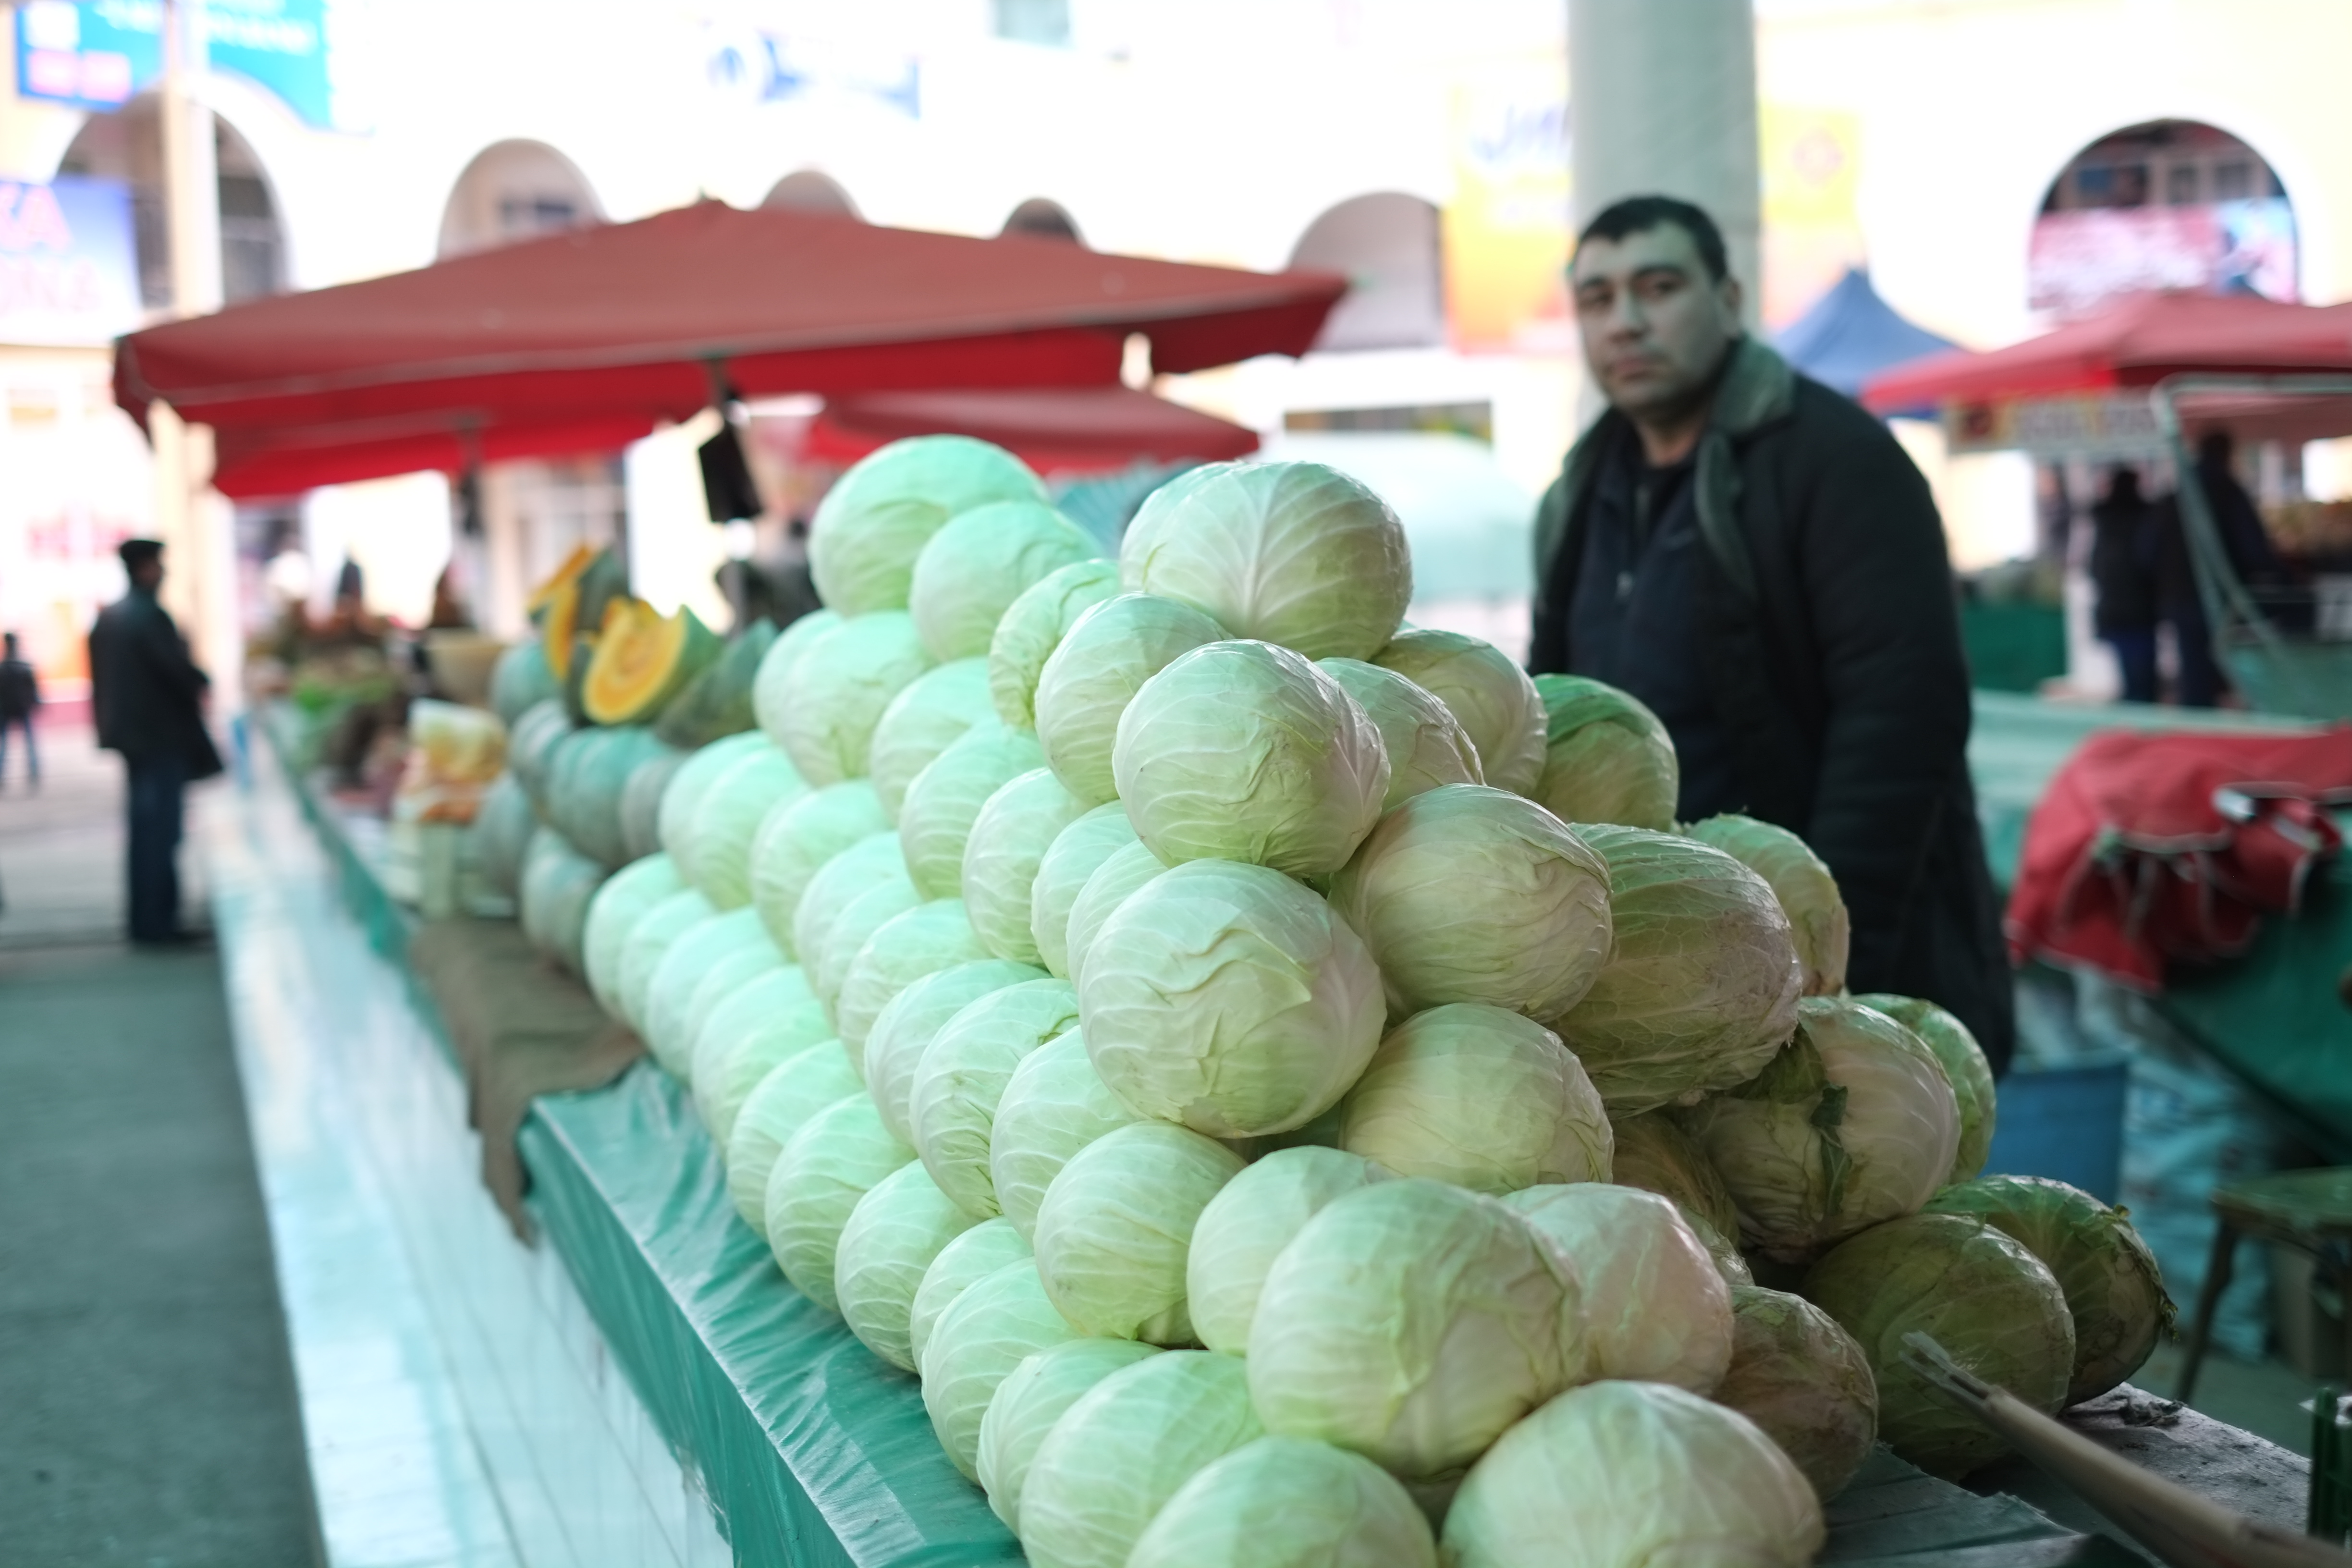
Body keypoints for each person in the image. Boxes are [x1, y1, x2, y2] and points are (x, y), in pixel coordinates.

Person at [1531, 194, 2013, 1072]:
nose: (1625, 321)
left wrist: (1830, 952)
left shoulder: (1836, 459)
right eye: (1597, 299)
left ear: (1729, 299)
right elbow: (1549, 714)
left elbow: (1902, 718)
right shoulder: (1577, 491)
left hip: (1834, 956)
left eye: (1658, 287)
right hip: (1663, 961)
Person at [88, 539, 223, 945]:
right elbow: (176, 673)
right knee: (161, 832)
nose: (164, 573)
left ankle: (145, 919)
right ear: (146, 568)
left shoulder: (110, 617)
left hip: (133, 739)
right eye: (159, 565)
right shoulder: (147, 617)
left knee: (144, 831)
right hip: (160, 738)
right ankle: (158, 923)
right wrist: (200, 679)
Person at [2088, 467, 2161, 704]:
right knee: (2144, 677)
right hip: (2140, 608)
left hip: (2116, 608)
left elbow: (2095, 567)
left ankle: (2134, 712)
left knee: (2130, 675)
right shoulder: (2144, 519)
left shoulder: (2105, 522)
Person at [0, 631, 37, 788]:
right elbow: (33, 689)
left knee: (5, 743)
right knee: (29, 742)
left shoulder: (4, 667)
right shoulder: (23, 666)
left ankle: (4, 774)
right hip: (22, 707)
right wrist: (34, 703)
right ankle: (34, 771)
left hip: (6, 709)